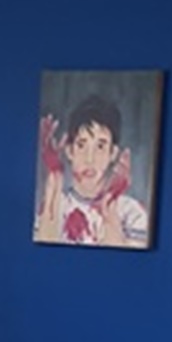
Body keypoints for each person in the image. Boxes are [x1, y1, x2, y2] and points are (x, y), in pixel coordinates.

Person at [34, 93, 149, 248]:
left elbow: (125, 261)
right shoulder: (55, 205)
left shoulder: (131, 213)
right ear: (69, 151)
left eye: (100, 146)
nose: (90, 159)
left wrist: (110, 208)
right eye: (81, 145)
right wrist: (55, 176)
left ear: (113, 153)